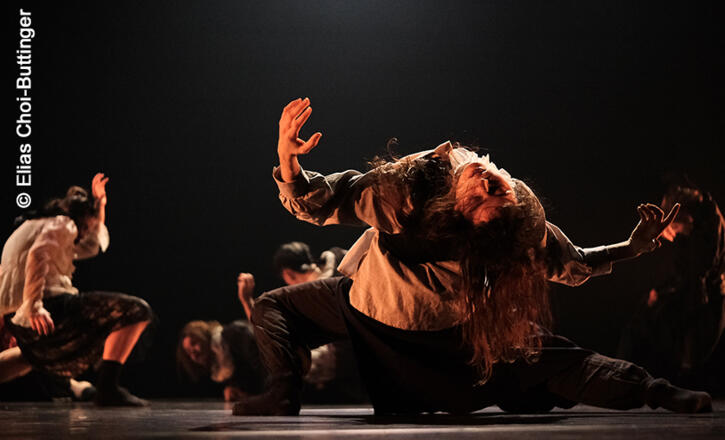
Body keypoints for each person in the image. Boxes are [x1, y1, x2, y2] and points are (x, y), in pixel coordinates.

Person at [232, 97, 712, 416]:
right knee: (554, 360)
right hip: (444, 334)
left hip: (375, 312)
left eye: (483, 197)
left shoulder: (410, 196)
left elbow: (321, 203)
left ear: (453, 208)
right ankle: (657, 390)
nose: (486, 184)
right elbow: (570, 263)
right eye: (493, 190)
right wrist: (631, 248)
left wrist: (288, 160)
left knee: (272, 306)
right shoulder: (516, 221)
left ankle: (282, 390)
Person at [0, 174, 153, 406]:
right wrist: (34, 305)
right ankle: (107, 387)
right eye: (87, 226)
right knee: (136, 310)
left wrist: (100, 206)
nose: (85, 233)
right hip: (42, 306)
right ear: (80, 219)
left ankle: (105, 387)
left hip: (16, 316)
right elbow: (38, 255)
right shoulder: (64, 223)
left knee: (33, 356)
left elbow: (91, 246)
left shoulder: (40, 224)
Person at [618, 181, 725, 390]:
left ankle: (674, 383)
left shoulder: (707, 229)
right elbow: (686, 269)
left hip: (705, 296)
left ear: (684, 217)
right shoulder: (697, 227)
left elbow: (699, 270)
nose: (672, 234)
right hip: (693, 291)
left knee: (692, 351)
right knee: (646, 324)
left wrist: (666, 293)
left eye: (674, 227)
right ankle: (627, 375)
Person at [239, 242, 366, 403]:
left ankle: (280, 397)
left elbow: (272, 334)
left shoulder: (313, 294)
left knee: (270, 355)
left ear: (288, 274)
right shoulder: (340, 260)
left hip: (343, 358)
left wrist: (246, 300)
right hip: (364, 344)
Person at [176, 320, 266, 401]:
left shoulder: (233, 334)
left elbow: (263, 366)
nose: (194, 354)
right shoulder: (222, 365)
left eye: (194, 343)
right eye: (189, 352)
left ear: (203, 335)